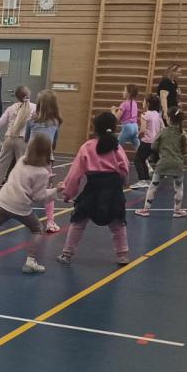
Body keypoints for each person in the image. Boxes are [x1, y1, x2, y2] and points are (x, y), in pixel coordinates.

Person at [0, 132, 61, 274]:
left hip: (2, 201)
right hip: (20, 207)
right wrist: (56, 190)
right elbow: (38, 196)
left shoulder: (22, 160)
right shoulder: (42, 172)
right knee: (38, 229)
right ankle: (30, 262)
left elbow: (23, 179)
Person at [58, 111, 131, 266]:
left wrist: (68, 193)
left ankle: (67, 253)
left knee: (79, 221)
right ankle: (122, 255)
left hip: (93, 189)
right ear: (114, 128)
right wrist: (124, 183)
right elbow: (124, 168)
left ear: (95, 128)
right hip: (113, 190)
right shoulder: (117, 147)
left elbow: (75, 174)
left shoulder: (87, 147)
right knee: (117, 222)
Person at [136, 107, 187, 218]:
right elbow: (186, 150)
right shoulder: (183, 134)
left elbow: (154, 146)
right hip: (177, 164)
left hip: (163, 163)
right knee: (179, 187)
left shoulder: (163, 132)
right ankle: (177, 210)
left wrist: (162, 150)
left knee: (153, 186)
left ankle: (145, 209)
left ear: (169, 119)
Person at [0, 86, 32, 194]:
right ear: (29, 94)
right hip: (23, 140)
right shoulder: (34, 108)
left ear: (16, 97)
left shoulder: (11, 108)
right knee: (23, 166)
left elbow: (0, 122)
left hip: (9, 138)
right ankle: (23, 190)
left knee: (0, 164)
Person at [27, 90, 63, 232]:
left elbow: (26, 139)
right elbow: (54, 142)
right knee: (48, 189)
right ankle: (50, 221)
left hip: (29, 159)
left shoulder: (31, 120)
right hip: (45, 159)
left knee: (25, 188)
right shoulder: (55, 122)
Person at [133, 94, 163, 188]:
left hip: (147, 142)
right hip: (155, 143)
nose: (143, 103)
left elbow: (142, 130)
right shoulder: (158, 115)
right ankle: (146, 179)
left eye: (144, 101)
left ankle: (142, 180)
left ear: (148, 104)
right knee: (142, 159)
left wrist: (138, 136)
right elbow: (163, 128)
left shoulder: (145, 115)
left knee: (137, 160)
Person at [114, 84, 141, 161]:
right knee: (138, 148)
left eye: (124, 90)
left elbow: (116, 118)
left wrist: (113, 111)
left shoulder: (124, 104)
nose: (122, 92)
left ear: (128, 93)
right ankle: (147, 164)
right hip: (135, 127)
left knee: (116, 146)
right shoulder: (135, 103)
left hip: (127, 127)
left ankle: (115, 162)